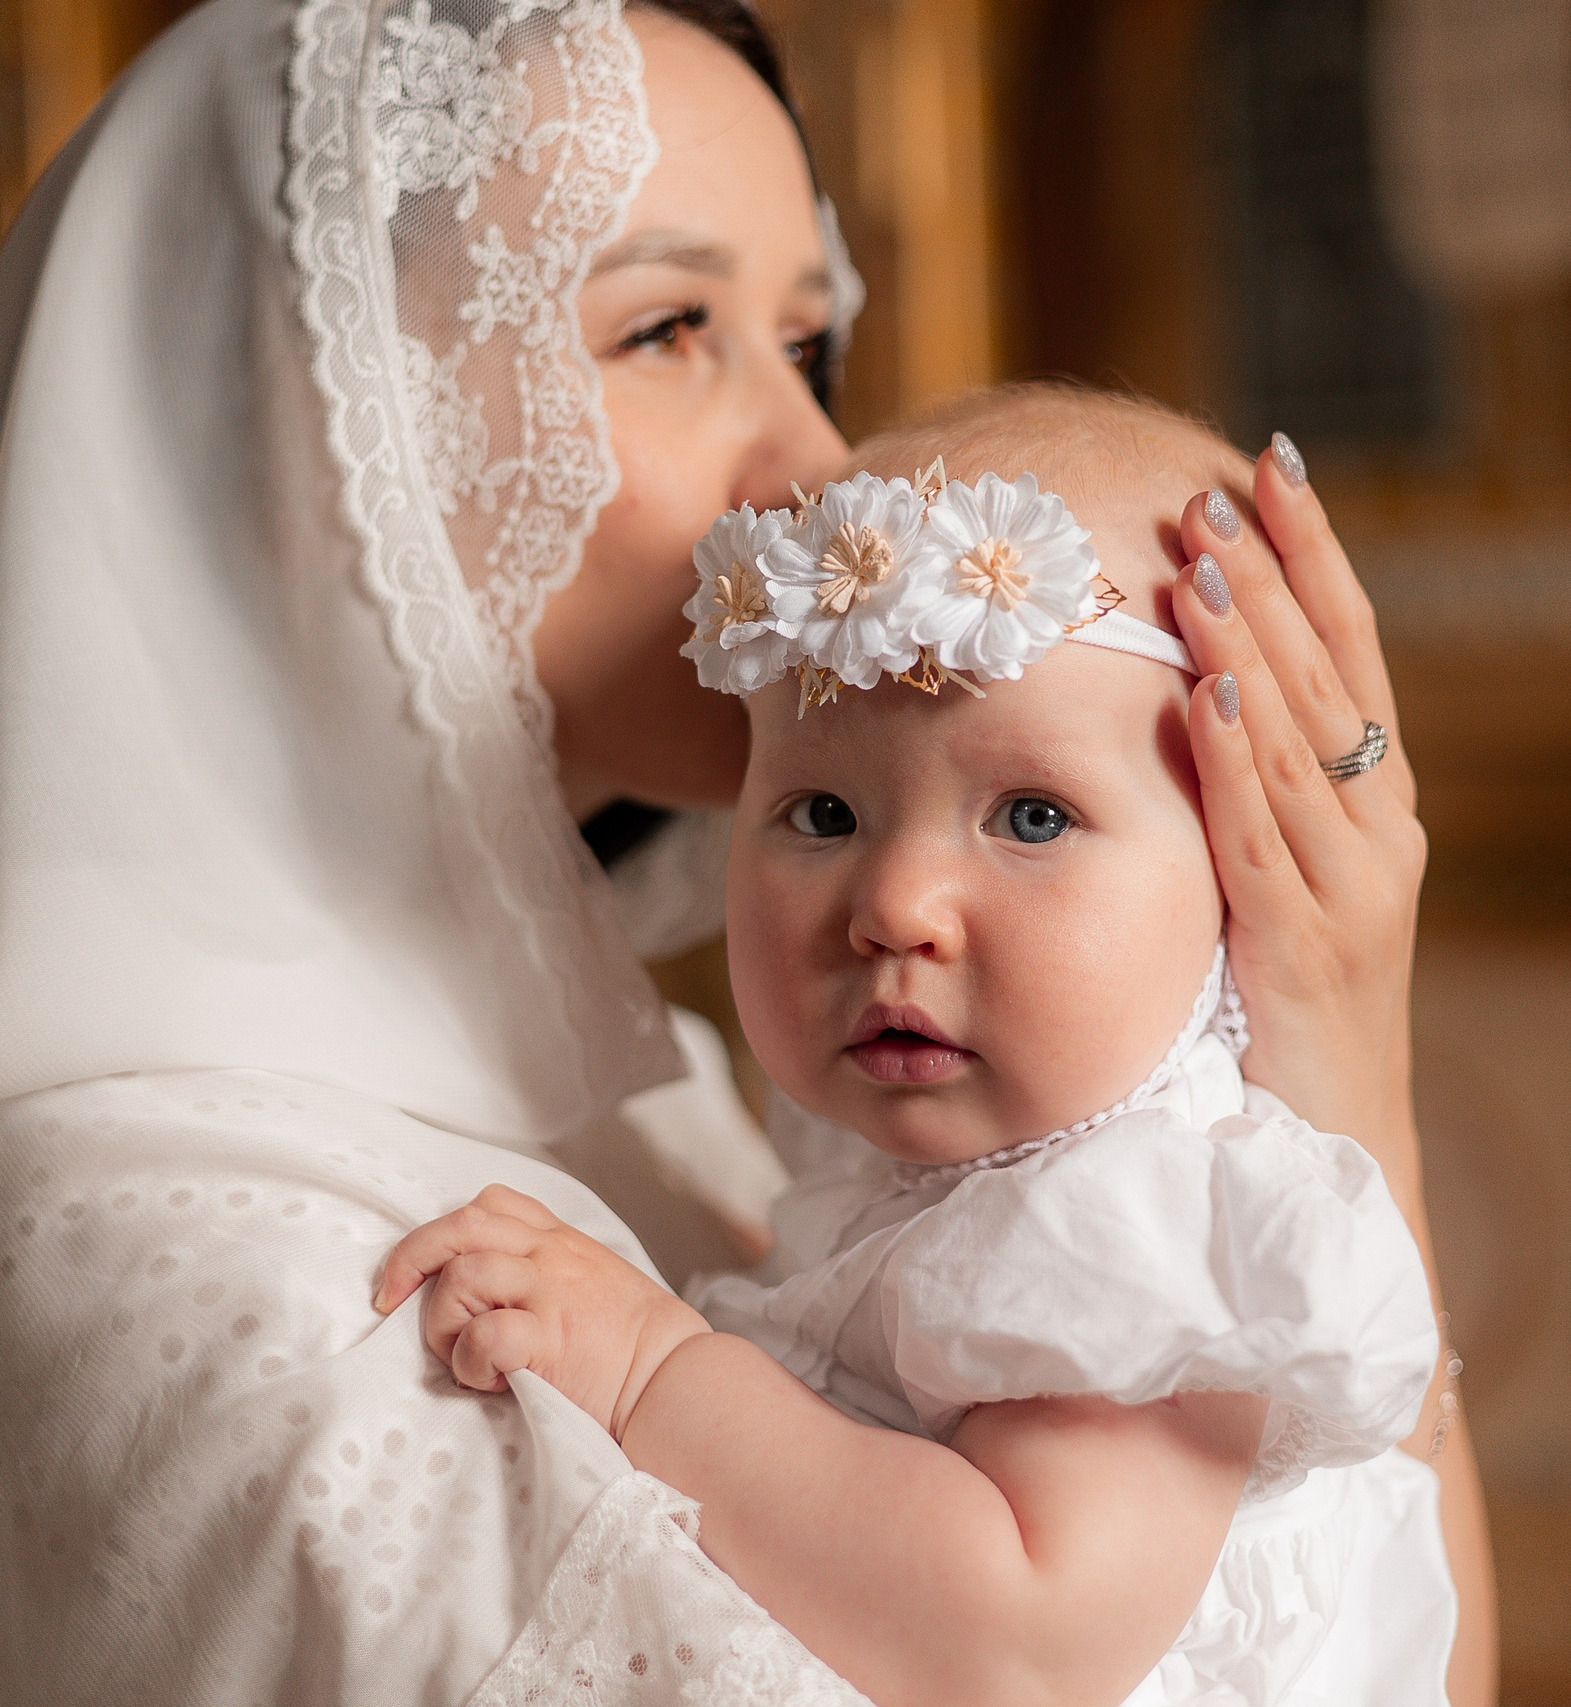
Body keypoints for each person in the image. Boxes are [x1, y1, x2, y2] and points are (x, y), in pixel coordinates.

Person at [0, 2, 1494, 1702]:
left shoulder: (697, 1120)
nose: (812, 474)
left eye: (804, 342)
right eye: (667, 330)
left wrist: (1325, 1056)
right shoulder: (148, 1236)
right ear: (314, 431)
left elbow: (1338, 1638)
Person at [377, 387, 1457, 1707]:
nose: (893, 903)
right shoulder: (919, 1168)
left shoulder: (1155, 1219)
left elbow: (1019, 1638)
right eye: (823, 809)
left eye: (1033, 817)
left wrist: (652, 1370)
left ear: (1244, 875)